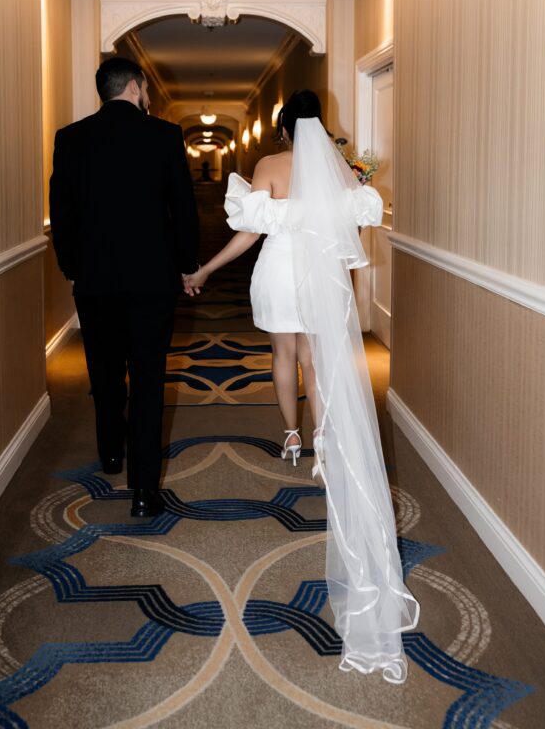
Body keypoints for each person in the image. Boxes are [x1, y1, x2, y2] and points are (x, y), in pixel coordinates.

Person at [183, 90, 419, 682]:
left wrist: (208, 269)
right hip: (321, 277)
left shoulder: (268, 167)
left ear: (284, 129)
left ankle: (290, 433)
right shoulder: (339, 169)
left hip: (277, 273)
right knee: (316, 355)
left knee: (281, 354)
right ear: (321, 125)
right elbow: (357, 221)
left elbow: (251, 234)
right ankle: (324, 434)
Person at [50, 57, 199, 518]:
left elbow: (62, 211)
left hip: (95, 280)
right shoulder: (164, 136)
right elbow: (183, 209)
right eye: (147, 90)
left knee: (105, 372)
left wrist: (72, 267)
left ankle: (111, 453)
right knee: (149, 380)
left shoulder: (70, 139)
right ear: (137, 87)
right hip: (152, 279)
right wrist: (187, 265)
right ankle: (143, 491)